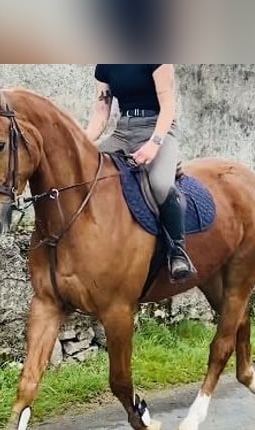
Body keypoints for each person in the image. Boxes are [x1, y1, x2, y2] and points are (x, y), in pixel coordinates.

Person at [85, 64, 196, 283]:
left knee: (160, 184)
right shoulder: (105, 65)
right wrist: (81, 143)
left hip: (158, 128)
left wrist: (154, 145)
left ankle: (177, 251)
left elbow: (168, 106)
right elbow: (101, 111)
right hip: (122, 131)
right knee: (85, 172)